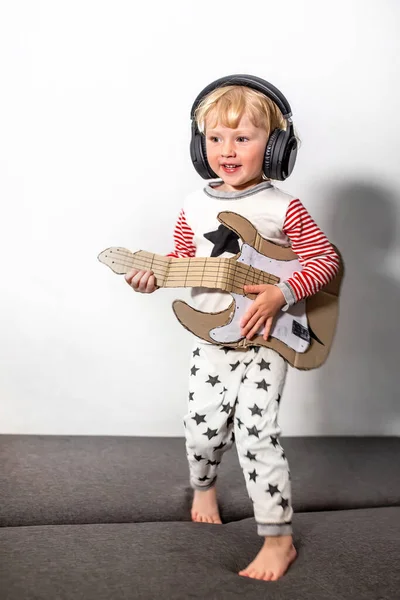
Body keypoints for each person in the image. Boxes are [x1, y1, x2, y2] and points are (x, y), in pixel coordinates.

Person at [124, 75, 340, 581]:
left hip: (267, 338)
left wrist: (280, 293)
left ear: (277, 146)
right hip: (213, 339)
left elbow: (324, 259)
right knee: (202, 430)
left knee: (256, 435)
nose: (227, 149)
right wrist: (152, 277)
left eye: (243, 137)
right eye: (216, 138)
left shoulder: (284, 206)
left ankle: (278, 538)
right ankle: (203, 484)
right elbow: (180, 262)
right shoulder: (192, 206)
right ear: (201, 147)